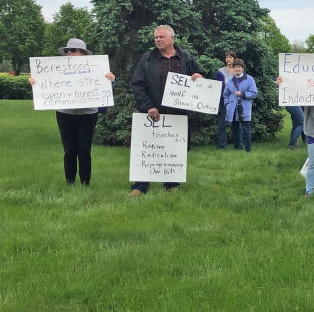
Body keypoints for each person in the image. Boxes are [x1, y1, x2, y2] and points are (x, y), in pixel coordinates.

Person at [28, 38, 115, 186]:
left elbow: (104, 88)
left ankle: (85, 182)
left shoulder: (95, 68)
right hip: (64, 113)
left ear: (83, 53)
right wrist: (35, 83)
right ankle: (70, 182)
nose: (69, 53)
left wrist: (111, 81)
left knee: (84, 150)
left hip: (88, 113)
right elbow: (46, 84)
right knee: (69, 150)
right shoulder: (57, 68)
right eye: (67, 51)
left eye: (73, 50)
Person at [130, 25, 202, 195]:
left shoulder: (187, 58)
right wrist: (148, 106)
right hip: (153, 113)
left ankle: (171, 184)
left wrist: (198, 77)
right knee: (147, 149)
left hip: (177, 114)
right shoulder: (147, 59)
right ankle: (140, 186)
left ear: (172, 39)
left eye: (161, 37)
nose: (157, 40)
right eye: (155, 37)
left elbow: (198, 79)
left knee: (174, 149)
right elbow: (137, 85)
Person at [222, 58, 258, 152]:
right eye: (236, 67)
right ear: (233, 69)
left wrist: (242, 94)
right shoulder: (231, 80)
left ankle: (248, 149)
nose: (237, 69)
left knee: (246, 128)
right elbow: (225, 94)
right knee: (236, 128)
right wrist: (227, 104)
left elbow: (254, 93)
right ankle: (237, 148)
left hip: (244, 107)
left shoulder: (249, 79)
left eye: (239, 67)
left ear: (242, 68)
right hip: (233, 108)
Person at [215, 50, 236, 149]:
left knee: (237, 123)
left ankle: (238, 144)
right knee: (221, 124)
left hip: (236, 101)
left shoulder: (239, 71)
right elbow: (217, 88)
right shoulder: (220, 72)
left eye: (230, 57)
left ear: (234, 59)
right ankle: (221, 145)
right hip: (223, 100)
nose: (228, 59)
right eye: (227, 57)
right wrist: (218, 104)